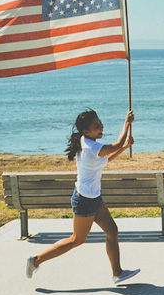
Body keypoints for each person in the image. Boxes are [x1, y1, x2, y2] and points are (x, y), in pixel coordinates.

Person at [25, 109, 140, 285]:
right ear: (86, 131)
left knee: (112, 231)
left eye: (100, 123)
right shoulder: (91, 147)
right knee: (76, 240)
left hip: (94, 197)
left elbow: (106, 158)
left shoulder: (87, 142)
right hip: (84, 200)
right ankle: (36, 261)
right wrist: (126, 124)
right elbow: (115, 145)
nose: (101, 127)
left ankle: (117, 273)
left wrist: (124, 147)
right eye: (96, 126)